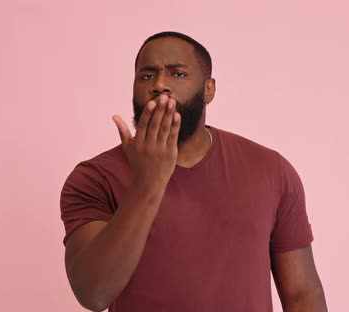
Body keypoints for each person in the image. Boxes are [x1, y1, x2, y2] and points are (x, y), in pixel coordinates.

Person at [60, 31, 327, 312]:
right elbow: (94, 294)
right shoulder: (94, 178)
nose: (160, 85)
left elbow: (302, 293)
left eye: (177, 74)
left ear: (208, 89)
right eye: (147, 76)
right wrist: (148, 182)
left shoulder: (271, 171)